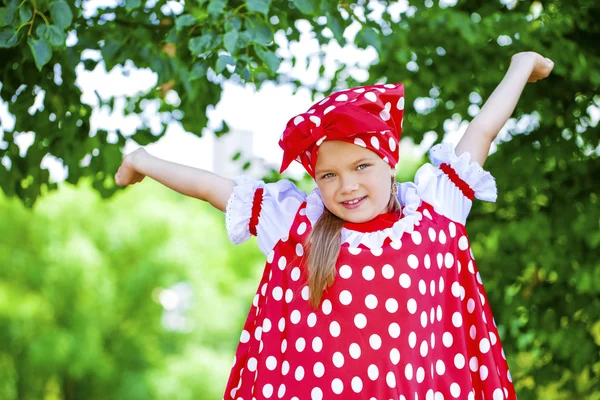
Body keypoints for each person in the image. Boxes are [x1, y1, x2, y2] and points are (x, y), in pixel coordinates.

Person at [115, 51, 554, 400]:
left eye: (361, 166)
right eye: (328, 175)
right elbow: (214, 189)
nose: (347, 186)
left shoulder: (435, 210)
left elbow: (481, 132)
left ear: (389, 162)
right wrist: (144, 161)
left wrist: (520, 67)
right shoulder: (298, 225)